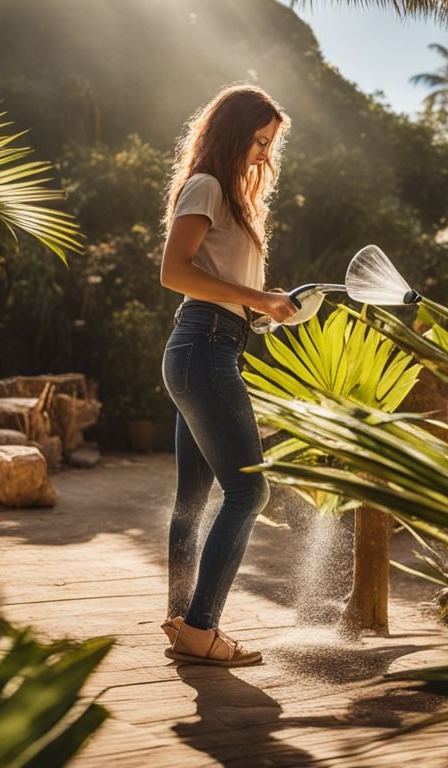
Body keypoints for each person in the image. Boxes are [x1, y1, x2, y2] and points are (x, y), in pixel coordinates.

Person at [157, 84, 296, 667]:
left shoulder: (233, 198)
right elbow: (173, 272)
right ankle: (202, 628)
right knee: (249, 491)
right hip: (204, 348)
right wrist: (257, 299)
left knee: (195, 496)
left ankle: (182, 618)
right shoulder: (208, 185)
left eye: (271, 144)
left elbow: (229, 291)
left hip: (215, 347)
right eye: (259, 140)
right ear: (235, 132)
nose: (265, 154)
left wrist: (267, 308)